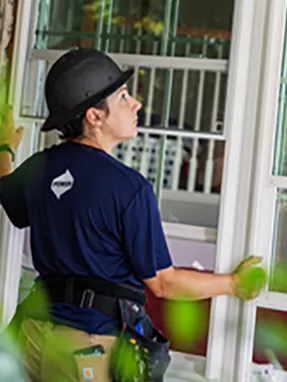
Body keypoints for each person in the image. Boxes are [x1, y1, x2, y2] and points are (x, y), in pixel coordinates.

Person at [0, 48, 266, 382]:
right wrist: (233, 284)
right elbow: (163, 283)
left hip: (30, 336)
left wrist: (4, 147)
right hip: (86, 350)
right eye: (123, 97)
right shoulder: (129, 189)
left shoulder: (40, 168)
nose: (136, 103)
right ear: (95, 117)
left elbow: (7, 193)